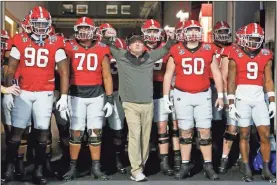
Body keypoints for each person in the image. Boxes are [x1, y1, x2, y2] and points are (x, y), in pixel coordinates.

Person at [2, 6, 69, 185]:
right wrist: (8, 91)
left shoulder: (56, 41)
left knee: (42, 132)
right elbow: (11, 70)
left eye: (43, 23)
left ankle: (38, 172)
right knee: (16, 133)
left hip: (44, 93)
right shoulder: (20, 39)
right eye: (37, 23)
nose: (40, 27)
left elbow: (64, 71)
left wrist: (64, 96)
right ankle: (9, 169)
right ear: (30, 24)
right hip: (23, 91)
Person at [102, 30, 176, 182]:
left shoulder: (150, 56)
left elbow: (166, 48)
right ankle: (136, 169)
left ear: (144, 46)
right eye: (134, 42)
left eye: (140, 42)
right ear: (128, 46)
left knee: (145, 137)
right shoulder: (121, 55)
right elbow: (107, 44)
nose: (138, 44)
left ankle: (140, 166)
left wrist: (171, 37)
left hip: (147, 103)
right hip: (130, 103)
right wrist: (109, 36)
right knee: (135, 135)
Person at [163, 20, 224, 180]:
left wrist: (221, 95)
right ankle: (184, 164)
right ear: (184, 33)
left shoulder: (208, 48)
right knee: (185, 131)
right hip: (182, 94)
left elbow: (216, 73)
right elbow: (168, 74)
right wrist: (165, 96)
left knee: (205, 130)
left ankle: (208, 165)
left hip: (203, 94)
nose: (192, 33)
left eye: (195, 30)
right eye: (189, 30)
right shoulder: (176, 49)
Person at [62, 17, 113, 181]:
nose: (83, 32)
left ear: (94, 31)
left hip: (96, 94)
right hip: (75, 94)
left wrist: (110, 98)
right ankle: (73, 167)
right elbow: (63, 72)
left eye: (86, 28)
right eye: (81, 28)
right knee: (76, 132)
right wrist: (63, 95)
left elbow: (106, 75)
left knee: (95, 132)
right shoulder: (68, 46)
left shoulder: (102, 48)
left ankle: (96, 168)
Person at [227, 23, 276, 183]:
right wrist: (231, 102)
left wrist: (272, 100)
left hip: (259, 98)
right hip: (242, 98)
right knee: (244, 134)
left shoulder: (266, 55)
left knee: (265, 135)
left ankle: (266, 169)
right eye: (251, 38)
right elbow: (231, 81)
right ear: (243, 39)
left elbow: (268, 80)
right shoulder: (235, 54)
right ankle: (247, 168)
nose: (253, 42)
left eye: (256, 39)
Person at [141, 19, 180, 175]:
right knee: (142, 129)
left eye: (154, 31)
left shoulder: (167, 48)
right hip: (142, 92)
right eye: (148, 31)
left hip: (161, 91)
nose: (151, 35)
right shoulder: (138, 48)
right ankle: (141, 161)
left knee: (162, 127)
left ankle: (164, 162)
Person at [98, 23, 127, 174]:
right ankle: (100, 159)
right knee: (97, 127)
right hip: (97, 92)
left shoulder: (120, 45)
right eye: (105, 34)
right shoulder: (96, 46)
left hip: (116, 91)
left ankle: (117, 159)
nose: (108, 38)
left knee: (117, 127)